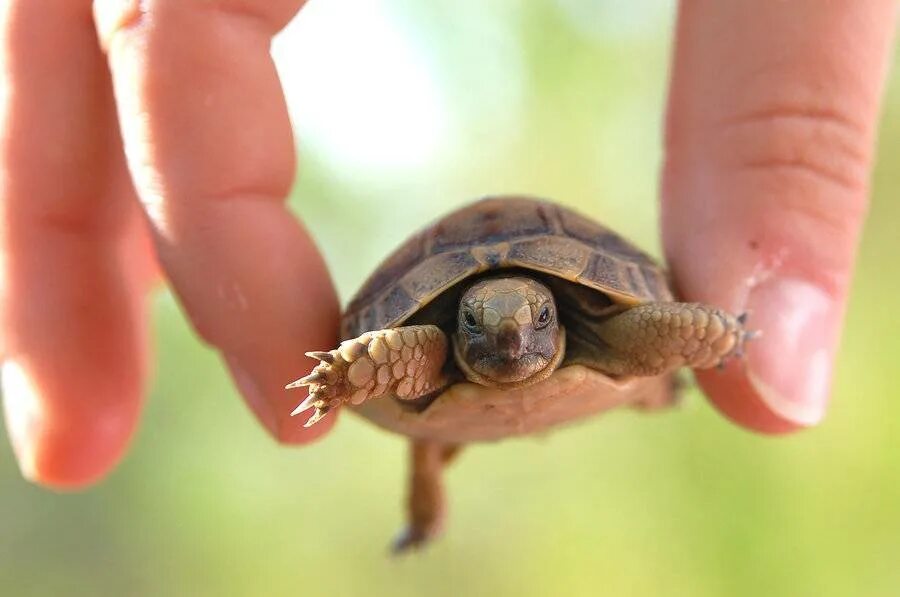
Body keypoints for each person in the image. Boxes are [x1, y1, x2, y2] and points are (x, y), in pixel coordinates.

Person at [0, 1, 895, 488]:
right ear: (454, 330)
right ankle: (424, 498)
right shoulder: (426, 353)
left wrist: (722, 331)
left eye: (525, 330)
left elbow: (659, 331)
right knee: (420, 401)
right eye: (488, 334)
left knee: (642, 347)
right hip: (440, 381)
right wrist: (350, 368)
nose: (512, 344)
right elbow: (400, 356)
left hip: (563, 345)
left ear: (555, 313)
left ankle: (427, 480)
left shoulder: (607, 333)